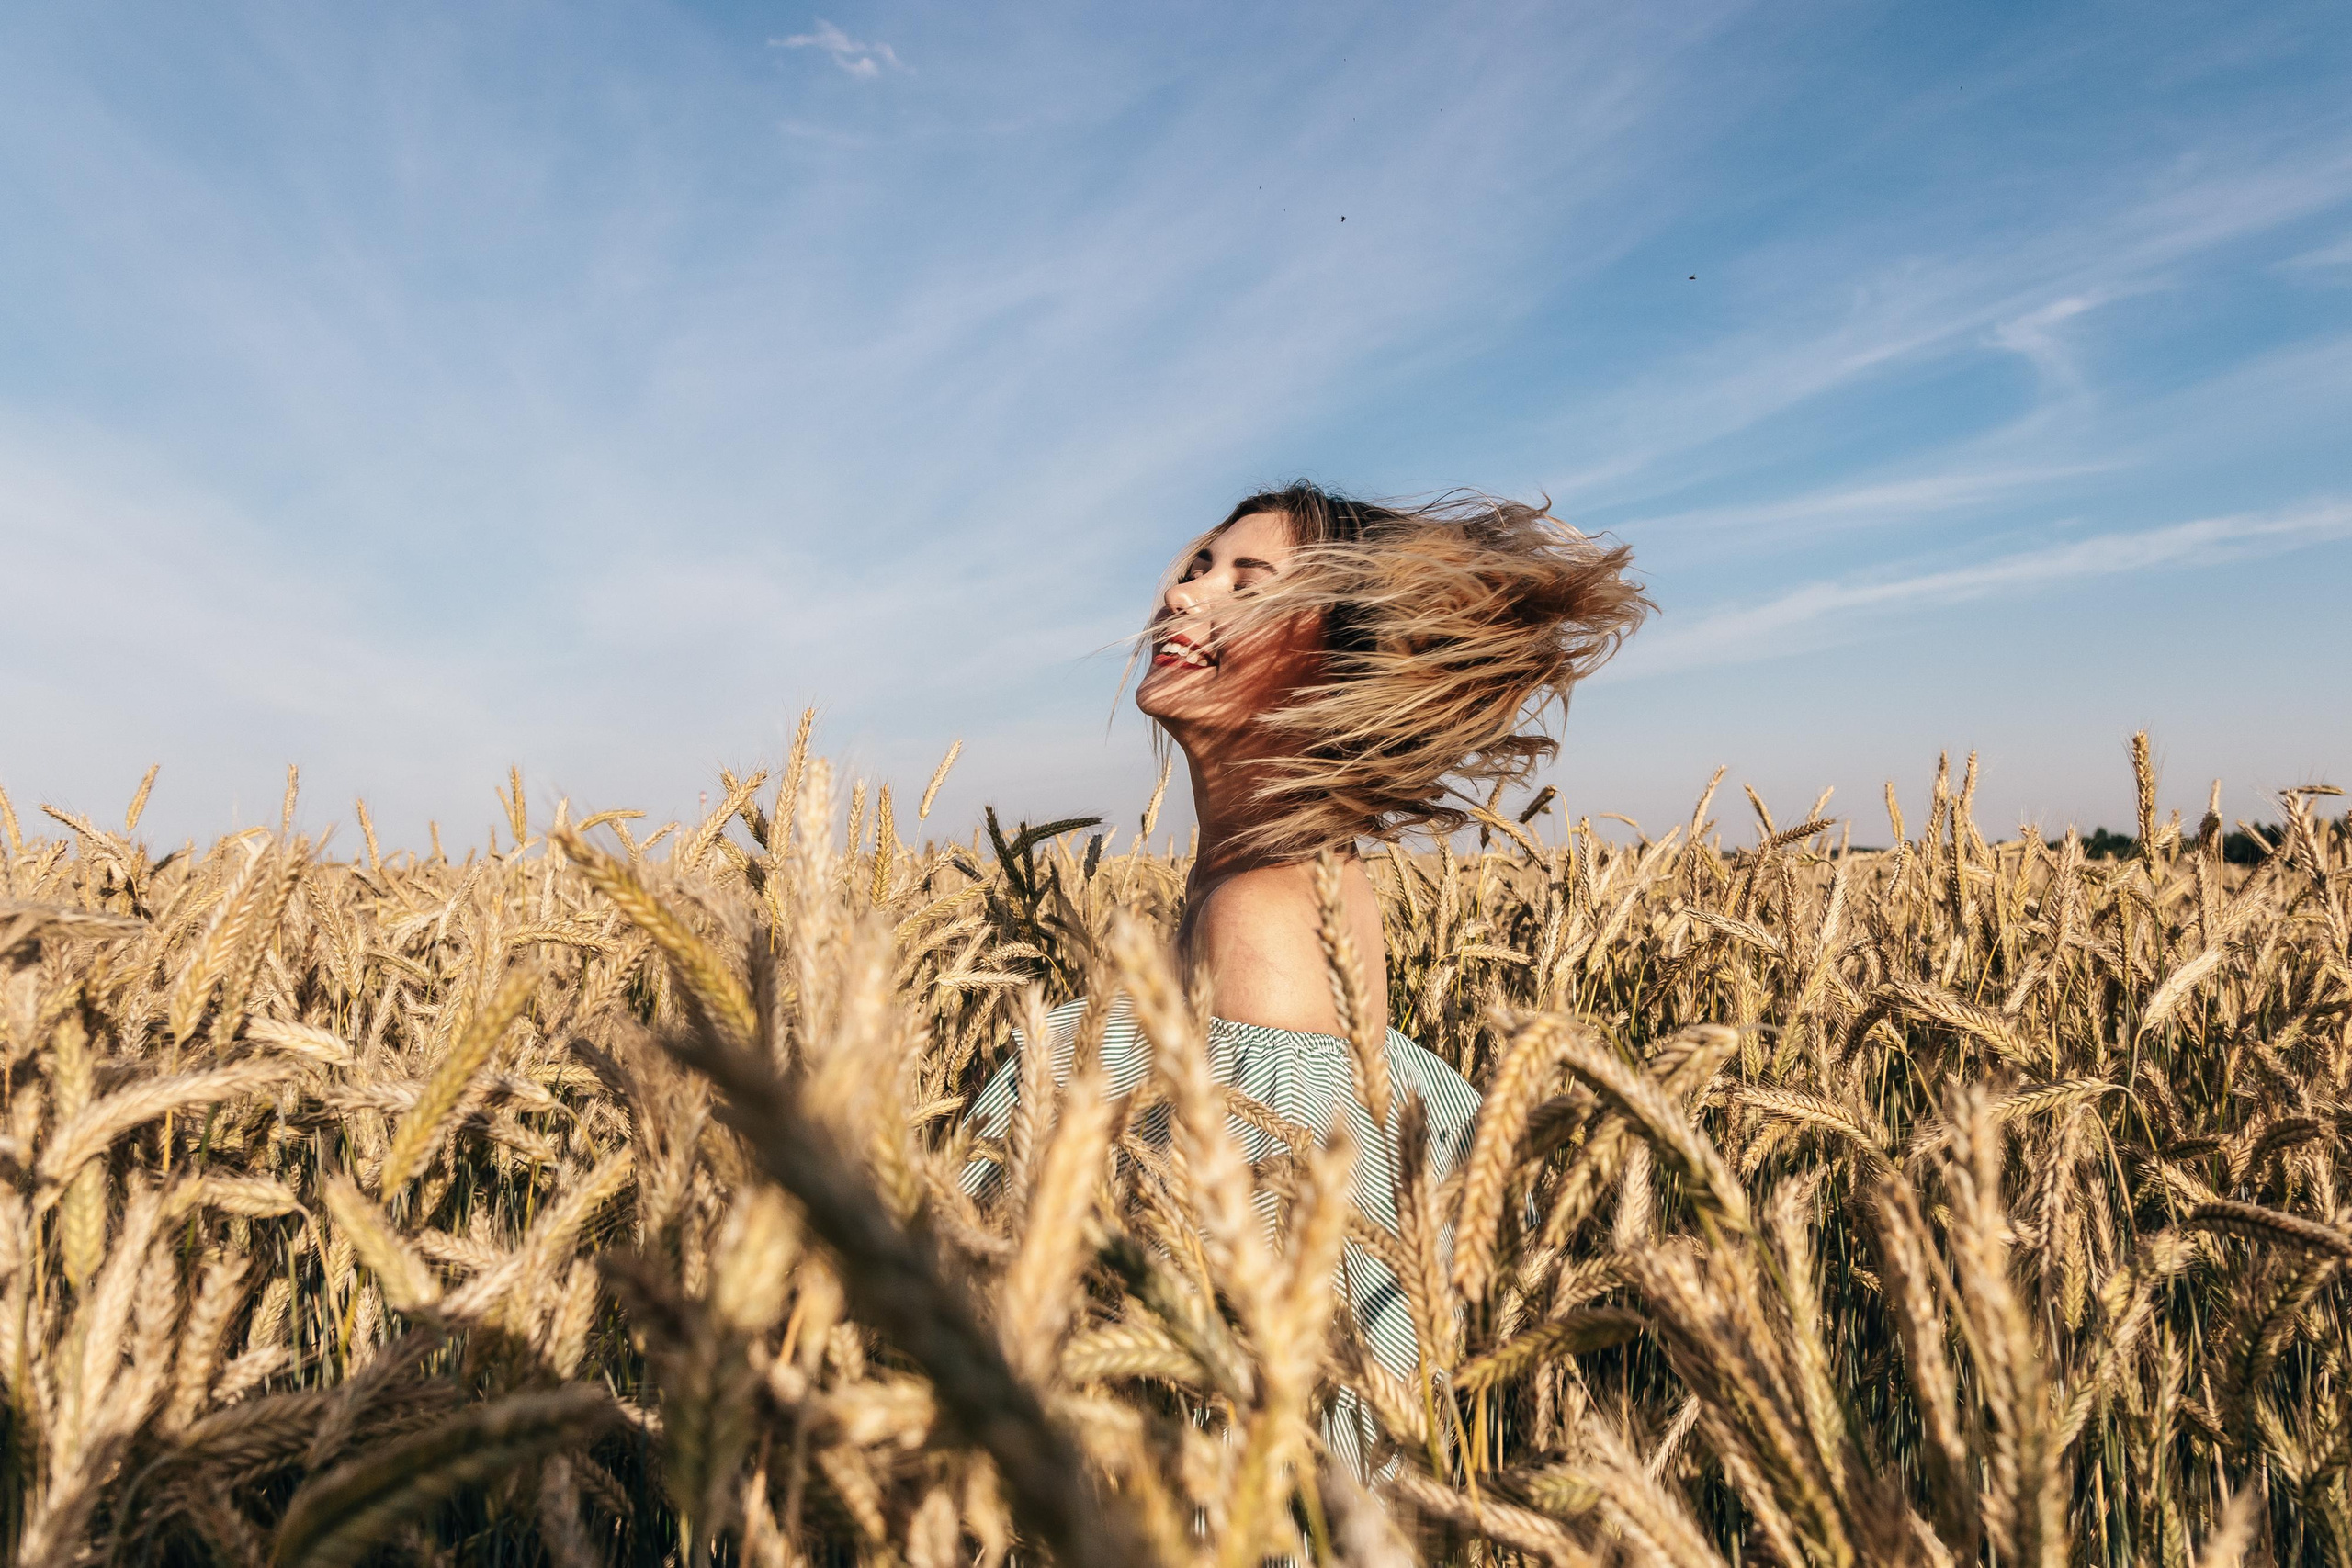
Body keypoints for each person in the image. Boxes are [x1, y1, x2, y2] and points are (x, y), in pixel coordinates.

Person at [960, 480, 1648, 1411]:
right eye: (1198, 567)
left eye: (1247, 585)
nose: (1183, 594)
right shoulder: (1264, 882)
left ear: (1326, 656)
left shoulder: (1261, 920)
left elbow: (1262, 1365)